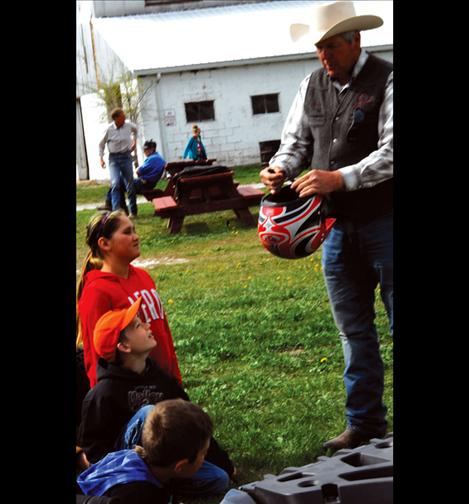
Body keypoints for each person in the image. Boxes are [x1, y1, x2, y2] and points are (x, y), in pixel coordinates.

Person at [259, 1, 393, 450]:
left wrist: (340, 178)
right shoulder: (311, 84)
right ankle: (366, 425)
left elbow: (392, 152)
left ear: (356, 41)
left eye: (331, 46)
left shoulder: (388, 78)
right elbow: (294, 142)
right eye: (319, 47)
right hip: (333, 228)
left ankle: (367, 423)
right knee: (352, 330)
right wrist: (279, 168)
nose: (324, 56)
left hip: (386, 221)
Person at [77, 299, 234, 496]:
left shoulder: (161, 379)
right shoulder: (102, 393)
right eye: (137, 325)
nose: (147, 325)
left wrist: (224, 462)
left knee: (219, 478)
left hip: (165, 459)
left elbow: (192, 423)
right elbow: (94, 453)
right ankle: (148, 484)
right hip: (127, 464)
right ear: (124, 346)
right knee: (151, 413)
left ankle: (161, 483)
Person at [76, 210, 182, 388]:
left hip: (163, 380)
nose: (136, 237)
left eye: (134, 230)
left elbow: (163, 332)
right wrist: (106, 404)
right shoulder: (97, 291)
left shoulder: (143, 276)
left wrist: (175, 379)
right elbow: (96, 358)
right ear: (105, 243)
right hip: (134, 393)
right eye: (127, 232)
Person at [77, 399, 226, 503]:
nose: (205, 457)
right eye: (203, 454)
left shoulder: (133, 456)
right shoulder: (143, 494)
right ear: (180, 466)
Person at [99, 108, 139, 218]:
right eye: (122, 117)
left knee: (129, 184)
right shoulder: (108, 129)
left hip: (126, 157)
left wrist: (134, 141)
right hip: (114, 159)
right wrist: (101, 158)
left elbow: (136, 130)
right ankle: (116, 213)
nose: (125, 118)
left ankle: (133, 212)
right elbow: (101, 144)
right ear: (116, 119)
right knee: (115, 183)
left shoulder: (129, 125)